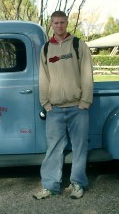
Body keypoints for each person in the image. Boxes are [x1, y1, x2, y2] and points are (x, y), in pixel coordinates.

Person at [33, 10, 94, 200]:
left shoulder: (78, 45)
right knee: (53, 149)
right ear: (51, 24)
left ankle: (77, 184)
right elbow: (43, 78)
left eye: (62, 22)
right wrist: (45, 102)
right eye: (55, 23)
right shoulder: (45, 49)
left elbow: (87, 74)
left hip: (78, 108)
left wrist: (85, 101)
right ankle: (51, 186)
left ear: (67, 23)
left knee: (79, 148)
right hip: (55, 110)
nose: (59, 26)